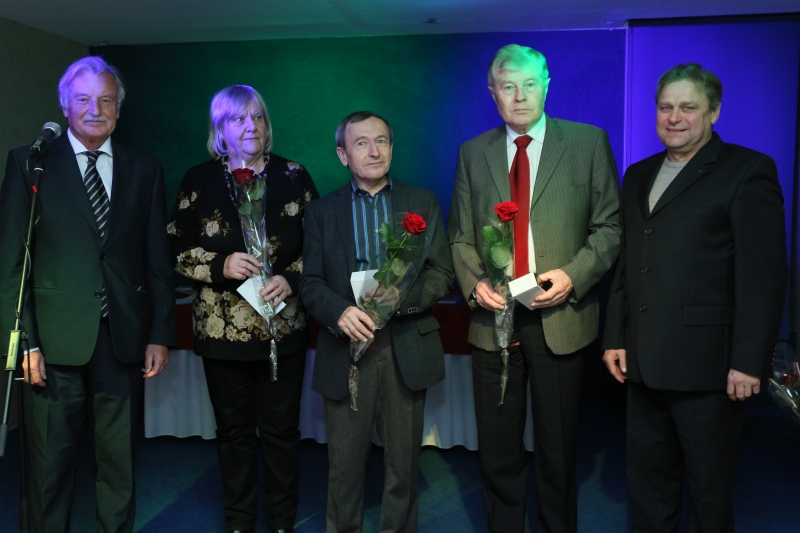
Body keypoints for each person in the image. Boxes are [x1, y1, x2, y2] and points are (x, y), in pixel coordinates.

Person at [602, 63, 787, 533]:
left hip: (709, 368)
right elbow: (629, 263)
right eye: (666, 107)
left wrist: (749, 362)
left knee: (709, 492)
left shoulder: (748, 171)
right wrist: (616, 336)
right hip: (643, 363)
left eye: (688, 107)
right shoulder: (638, 174)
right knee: (648, 485)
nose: (674, 117)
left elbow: (763, 276)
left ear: (714, 112)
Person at [448, 44, 621, 533]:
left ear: (546, 86)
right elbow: (459, 236)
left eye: (529, 84)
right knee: (498, 448)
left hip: (561, 319)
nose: (519, 96)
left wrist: (574, 275)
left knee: (557, 448)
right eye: (508, 86)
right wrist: (474, 284)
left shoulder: (588, 143)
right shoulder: (472, 153)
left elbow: (609, 228)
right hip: (493, 323)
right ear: (493, 93)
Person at [0, 56, 176, 532]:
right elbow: (12, 263)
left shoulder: (145, 168)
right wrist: (25, 342)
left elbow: (157, 259)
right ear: (65, 105)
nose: (95, 109)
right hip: (51, 345)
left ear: (118, 108)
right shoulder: (30, 163)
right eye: (83, 99)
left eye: (106, 100)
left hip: (122, 340)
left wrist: (160, 333)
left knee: (119, 467)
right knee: (49, 469)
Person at [167, 85, 318, 533]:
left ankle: (282, 521)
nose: (251, 126)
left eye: (257, 117)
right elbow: (175, 249)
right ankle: (238, 522)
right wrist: (220, 265)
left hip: (282, 330)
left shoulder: (294, 175)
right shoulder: (198, 180)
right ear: (220, 129)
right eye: (238, 118)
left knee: (281, 433)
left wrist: (290, 279)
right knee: (233, 435)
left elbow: (320, 246)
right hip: (222, 333)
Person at [299, 111, 454, 533]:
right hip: (346, 348)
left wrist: (402, 300)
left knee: (403, 468)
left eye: (382, 141)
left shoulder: (421, 202)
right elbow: (309, 282)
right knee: (344, 467)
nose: (374, 151)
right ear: (343, 155)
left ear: (391, 148)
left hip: (405, 346)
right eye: (362, 143)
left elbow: (441, 271)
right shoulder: (321, 212)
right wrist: (339, 312)